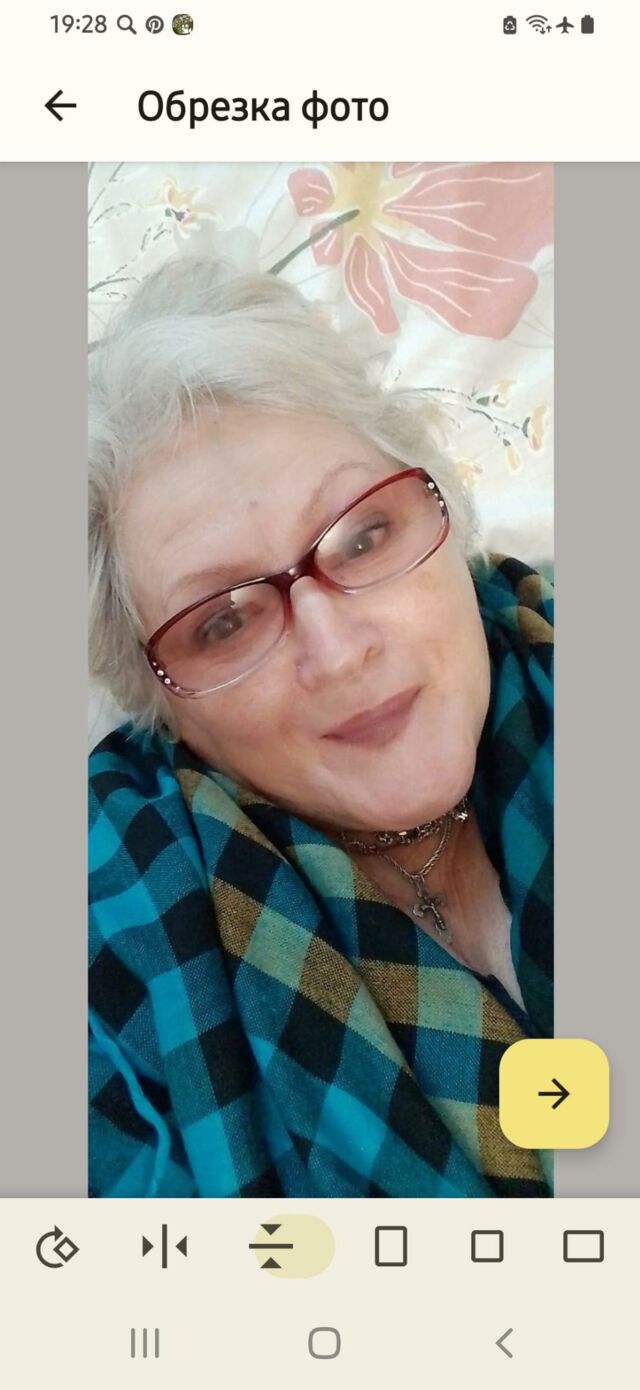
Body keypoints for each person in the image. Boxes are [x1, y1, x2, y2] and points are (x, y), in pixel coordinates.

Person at [89, 255, 553, 1198]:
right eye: (224, 621)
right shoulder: (101, 951)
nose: (338, 653)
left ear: (446, 512)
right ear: (161, 703)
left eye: (364, 536)